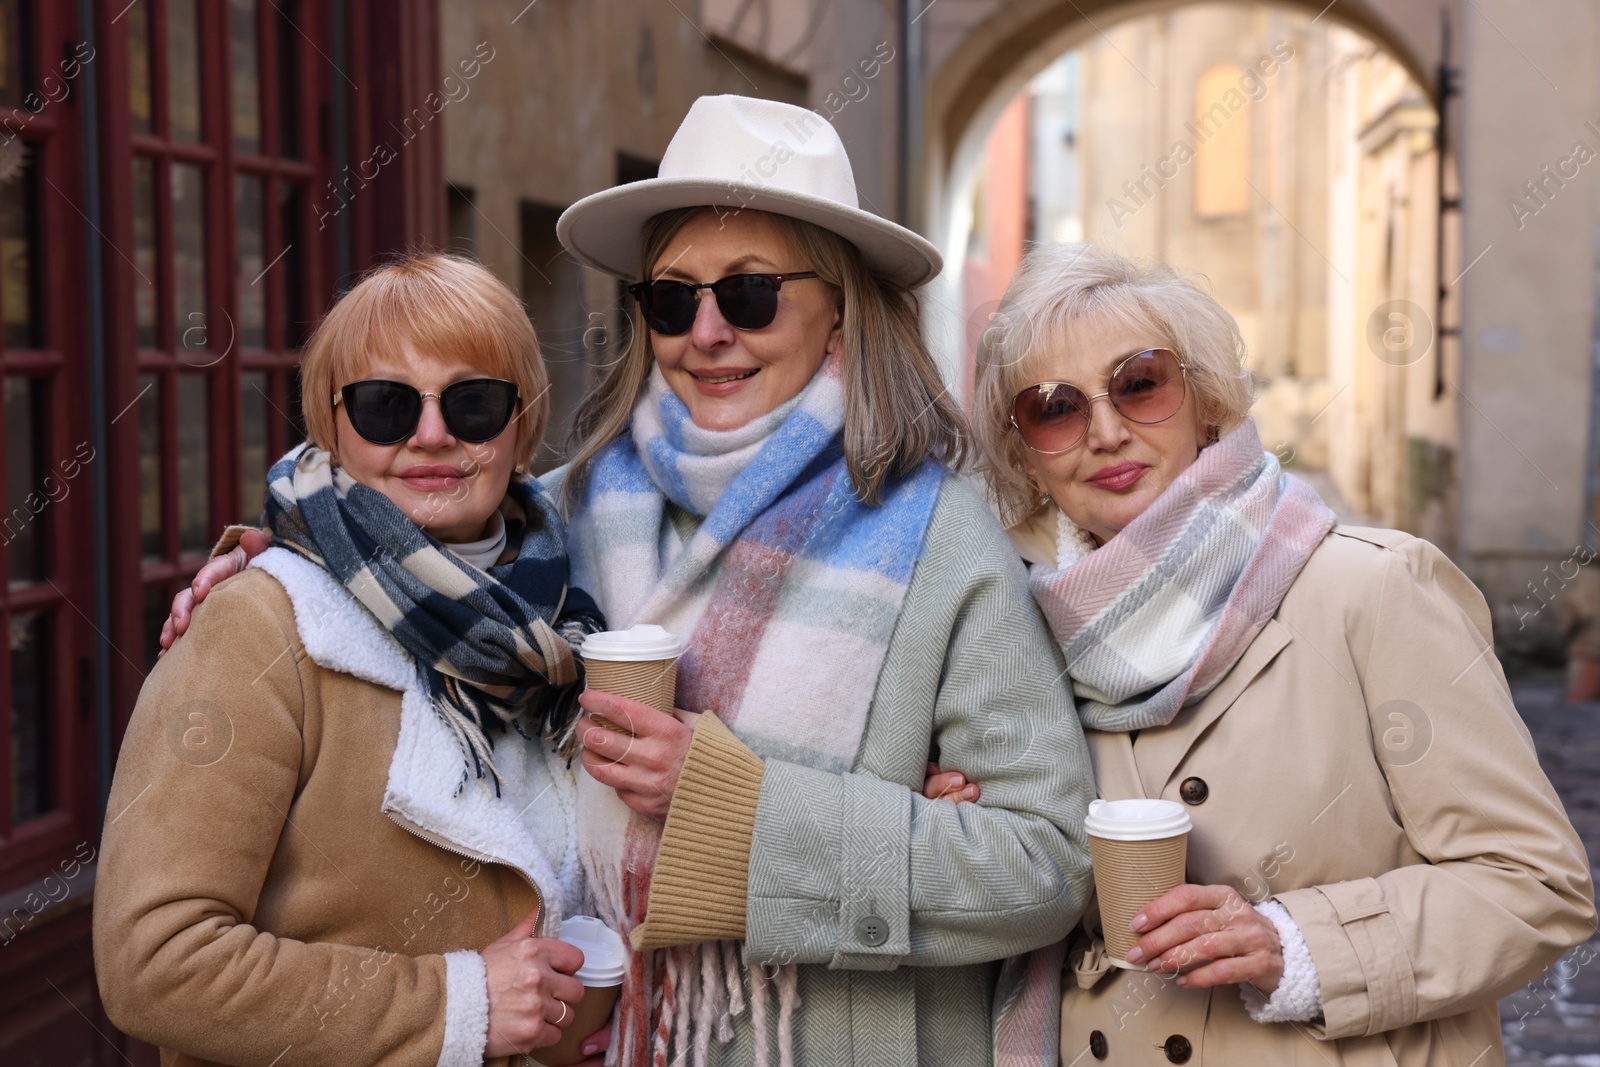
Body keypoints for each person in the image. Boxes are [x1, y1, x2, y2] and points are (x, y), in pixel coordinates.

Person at [159, 95, 1097, 1067]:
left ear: (839, 307)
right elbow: (404, 550)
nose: (706, 330)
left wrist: (749, 808)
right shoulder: (558, 517)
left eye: (748, 294)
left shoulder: (940, 534)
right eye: (670, 298)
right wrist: (277, 561)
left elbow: (1049, 863)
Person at [935, 241, 1596, 1065]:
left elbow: (1536, 883)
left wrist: (1299, 945)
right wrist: (978, 831)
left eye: (1140, 383)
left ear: (1204, 398)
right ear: (1026, 449)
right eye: (1055, 406)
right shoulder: (1014, 631)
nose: (1104, 431)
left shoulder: (1372, 590)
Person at [97, 254, 616, 1067]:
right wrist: (454, 1004)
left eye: (475, 402)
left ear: (522, 421)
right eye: (385, 405)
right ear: (331, 424)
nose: (433, 435)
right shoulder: (259, 622)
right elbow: (155, 963)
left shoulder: (570, 616)